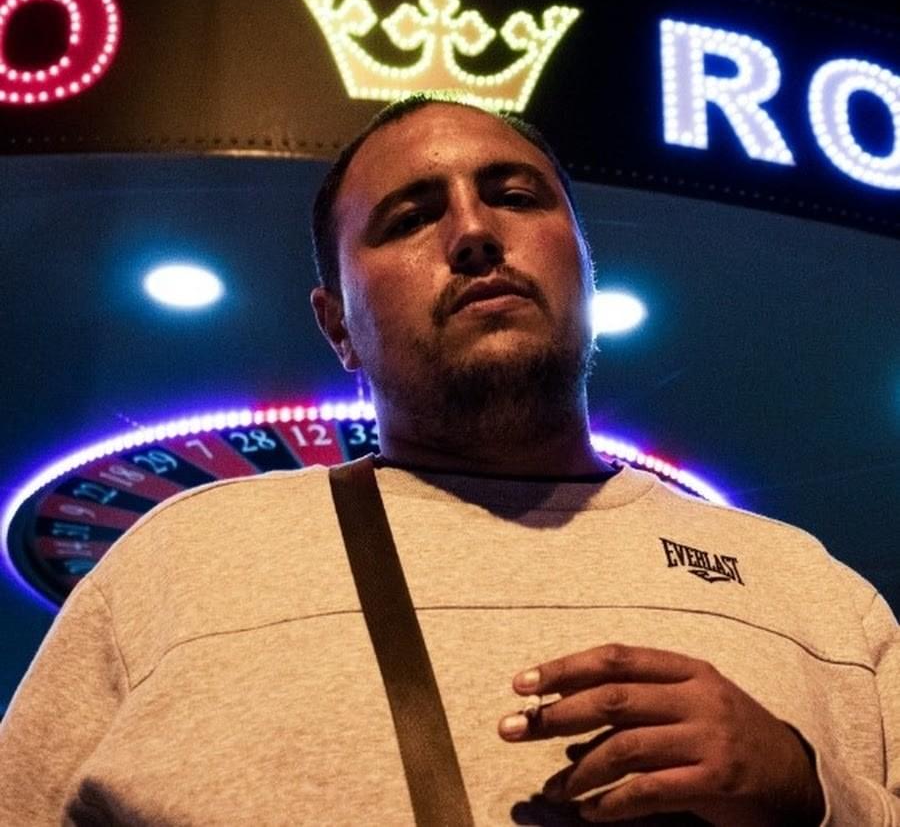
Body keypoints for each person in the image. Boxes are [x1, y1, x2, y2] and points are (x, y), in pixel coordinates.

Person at [0, 97, 897, 826]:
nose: (473, 231)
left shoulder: (814, 595)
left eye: (516, 197)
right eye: (411, 217)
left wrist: (809, 791)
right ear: (337, 325)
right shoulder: (174, 563)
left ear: (584, 266)